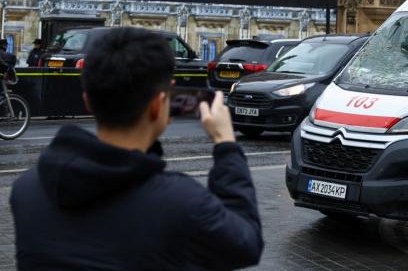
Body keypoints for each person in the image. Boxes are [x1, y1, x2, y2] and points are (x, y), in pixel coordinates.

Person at [9, 27, 263, 269]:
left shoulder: (26, 191)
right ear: (158, 105)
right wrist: (226, 145)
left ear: (87, 101)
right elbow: (246, 243)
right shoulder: (181, 202)